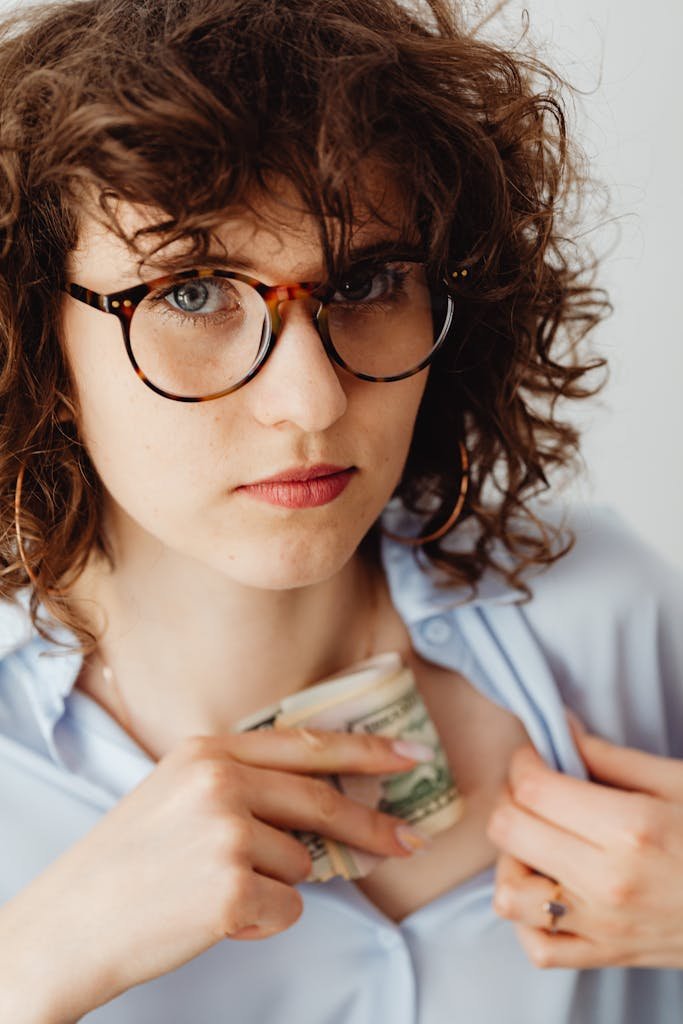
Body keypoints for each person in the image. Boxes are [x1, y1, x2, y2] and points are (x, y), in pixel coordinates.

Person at [0, 0, 681, 1021]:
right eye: (191, 292)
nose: (313, 401)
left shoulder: (604, 610)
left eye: (366, 279)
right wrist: (34, 964)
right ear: (36, 340)